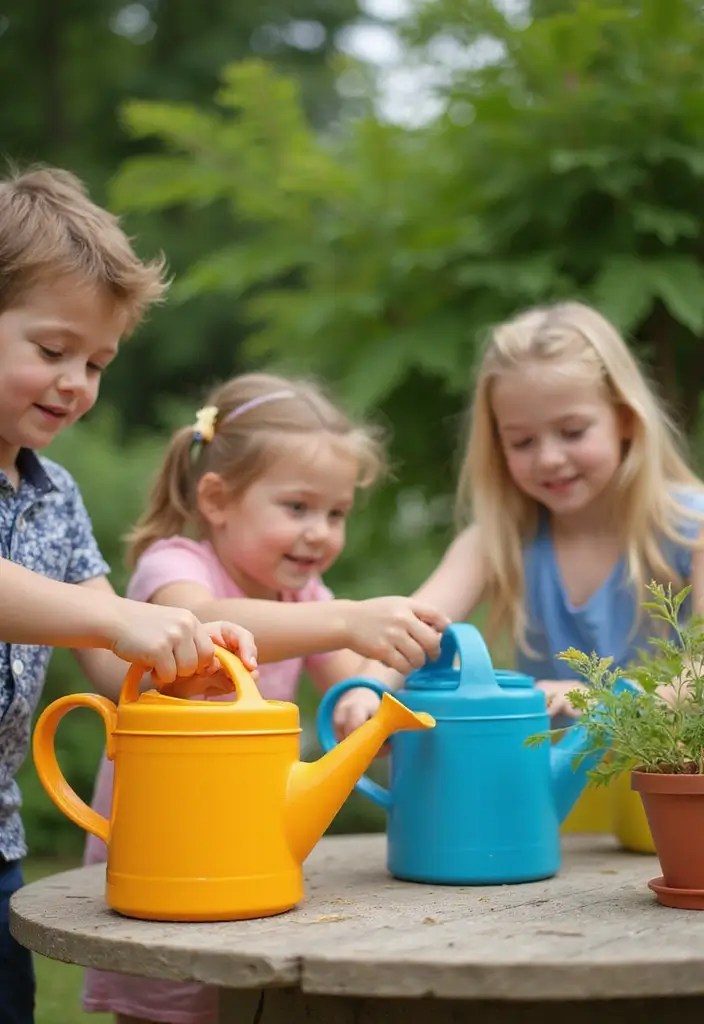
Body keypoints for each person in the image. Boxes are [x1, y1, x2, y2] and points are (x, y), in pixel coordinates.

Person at [82, 371, 448, 1024]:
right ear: (218, 499)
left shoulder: (305, 598)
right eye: (298, 507)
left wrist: (364, 704)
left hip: (246, 844)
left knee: (249, 1001)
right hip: (164, 840)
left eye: (336, 514)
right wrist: (347, 618)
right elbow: (201, 624)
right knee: (166, 1000)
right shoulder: (176, 567)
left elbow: (350, 686)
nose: (320, 533)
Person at [0, 166, 256, 1024]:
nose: (76, 381)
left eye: (97, 363)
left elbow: (112, 664)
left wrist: (184, 665)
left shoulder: (55, 496)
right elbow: (100, 617)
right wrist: (120, 616)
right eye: (52, 351)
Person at [335, 299, 704, 732]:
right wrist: (368, 690)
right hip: (549, 773)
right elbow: (413, 626)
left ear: (625, 419)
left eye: (572, 432)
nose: (549, 459)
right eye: (522, 442)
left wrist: (598, 699)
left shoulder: (691, 528)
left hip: (673, 769)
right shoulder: (498, 539)